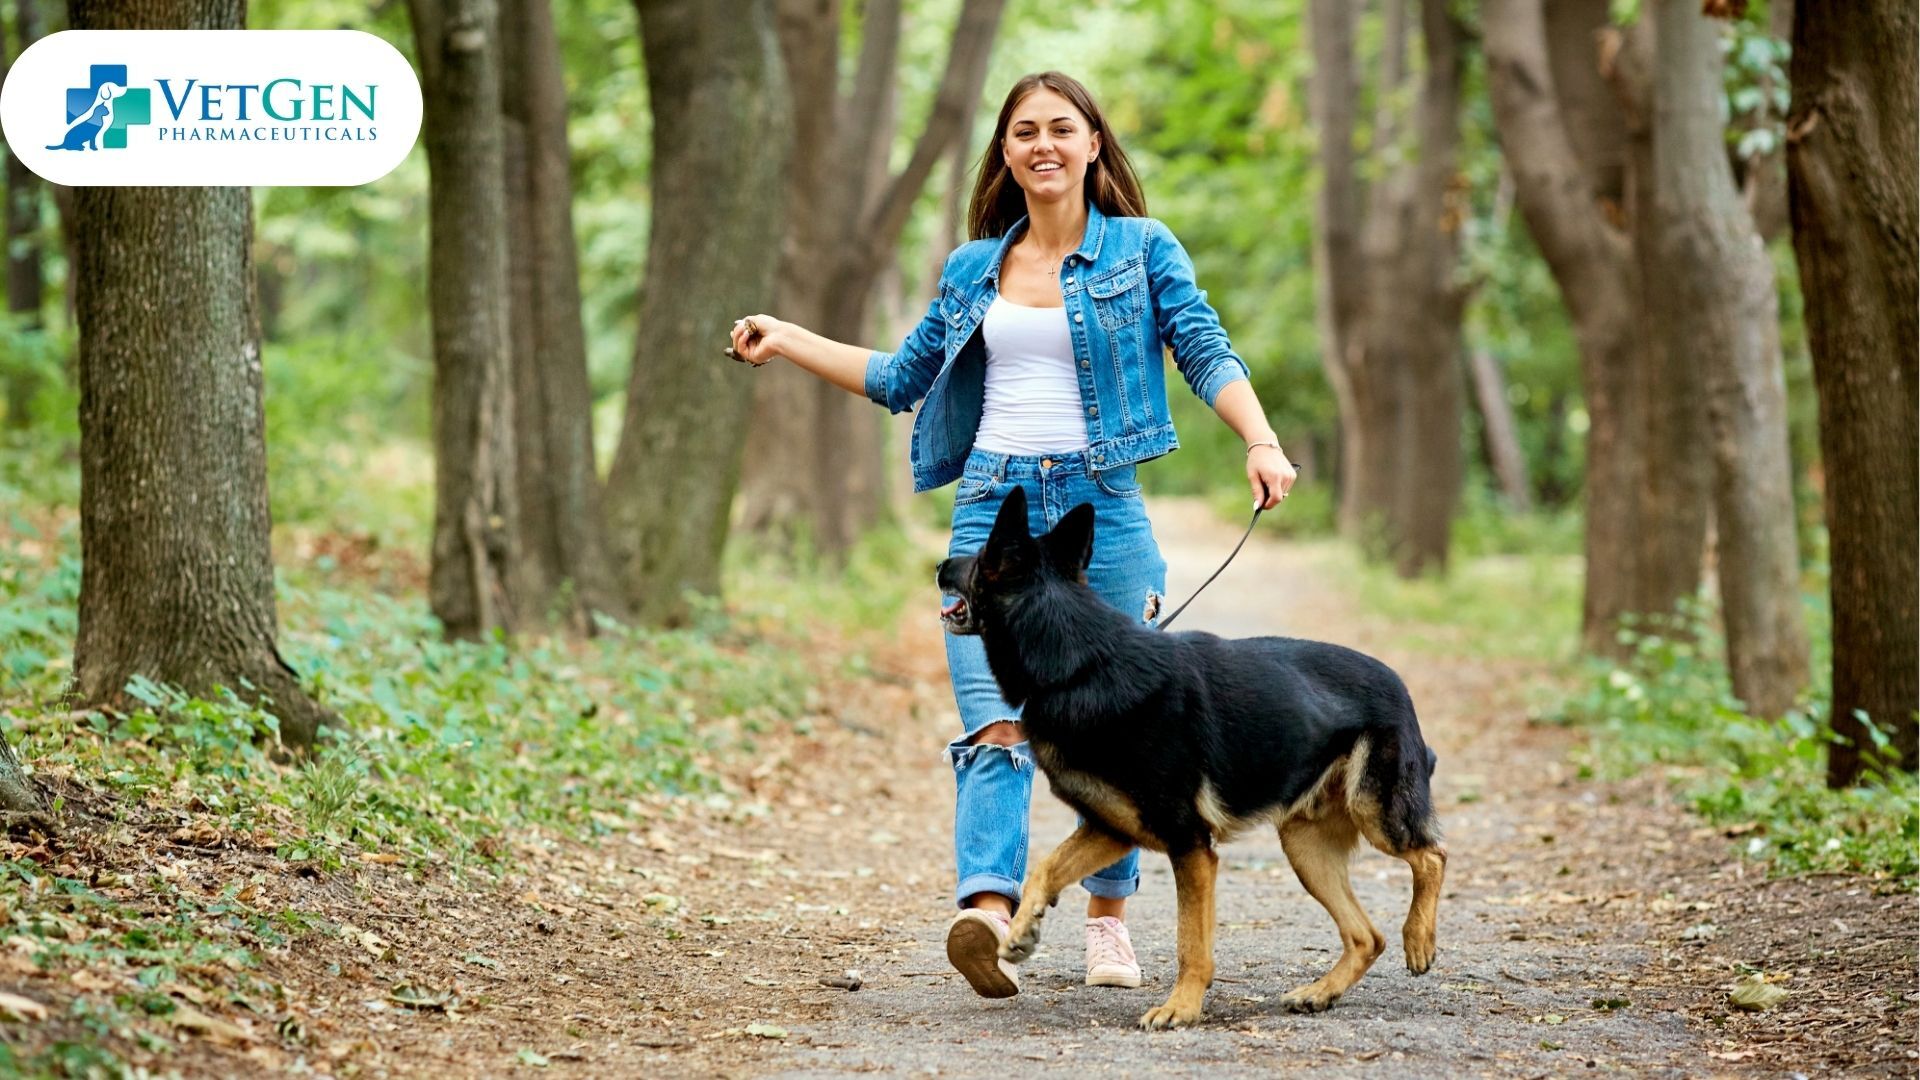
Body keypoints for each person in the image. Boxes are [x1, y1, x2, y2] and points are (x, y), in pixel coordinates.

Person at [726, 70, 1296, 1000]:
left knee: (1126, 732)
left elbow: (1202, 345)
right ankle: (988, 915)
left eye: (1060, 128)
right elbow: (899, 380)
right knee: (995, 723)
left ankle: (1108, 927)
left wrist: (1260, 439)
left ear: (1093, 145)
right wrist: (787, 337)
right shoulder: (971, 269)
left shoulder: (1143, 250)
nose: (1042, 144)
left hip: (1100, 513)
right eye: (1023, 131)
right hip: (990, 512)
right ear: (1005, 153)